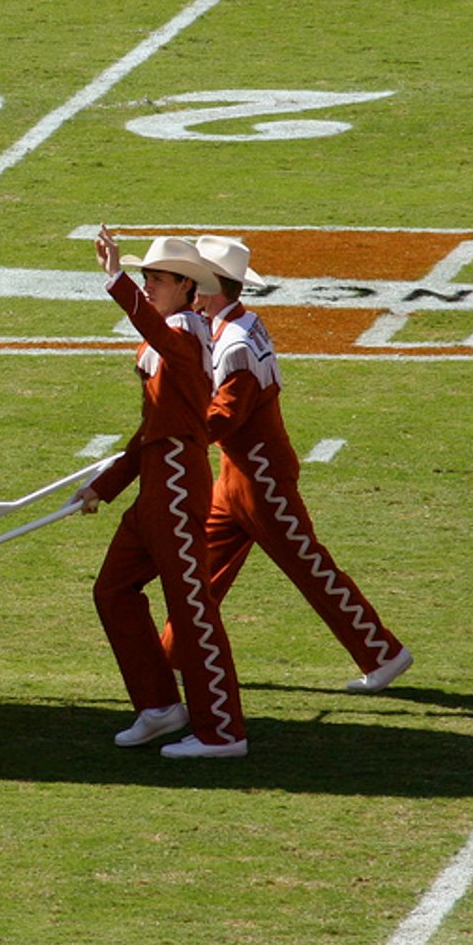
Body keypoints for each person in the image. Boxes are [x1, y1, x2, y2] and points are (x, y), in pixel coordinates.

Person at [160, 237, 413, 694]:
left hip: (261, 478)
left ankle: (383, 653)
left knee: (309, 568)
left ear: (212, 287)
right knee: (199, 571)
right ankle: (170, 656)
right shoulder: (233, 325)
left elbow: (225, 416)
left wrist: (176, 434)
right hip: (236, 475)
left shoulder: (235, 340)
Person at [73, 231, 247, 759]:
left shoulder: (186, 332)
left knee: (191, 609)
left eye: (156, 278)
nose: (148, 286)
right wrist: (104, 487)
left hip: (174, 489)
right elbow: (154, 427)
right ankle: (159, 706)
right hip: (156, 487)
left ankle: (223, 731)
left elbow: (166, 429)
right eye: (144, 277)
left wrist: (115, 280)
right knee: (113, 591)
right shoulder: (167, 334)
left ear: (187, 287)